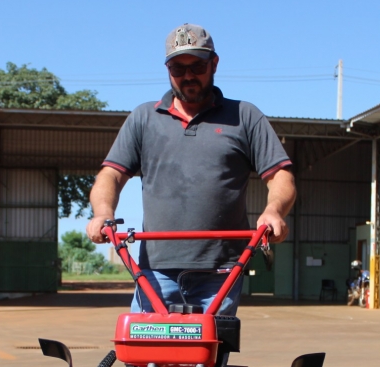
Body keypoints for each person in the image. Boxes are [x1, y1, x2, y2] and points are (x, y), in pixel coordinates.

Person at [86, 23, 296, 316]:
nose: (187, 76)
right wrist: (103, 213)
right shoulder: (144, 118)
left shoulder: (245, 116)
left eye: (197, 66)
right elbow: (111, 175)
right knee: (148, 353)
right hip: (155, 271)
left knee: (209, 356)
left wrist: (274, 211)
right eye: (177, 68)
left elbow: (280, 176)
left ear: (214, 64)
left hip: (222, 271)